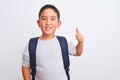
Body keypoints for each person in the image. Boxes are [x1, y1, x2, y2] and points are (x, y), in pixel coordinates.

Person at [22, 4, 84, 80]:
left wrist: (80, 42)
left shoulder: (63, 42)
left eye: (52, 19)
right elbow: (25, 66)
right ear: (38, 23)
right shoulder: (32, 44)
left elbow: (77, 52)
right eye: (44, 18)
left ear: (59, 24)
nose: (48, 22)